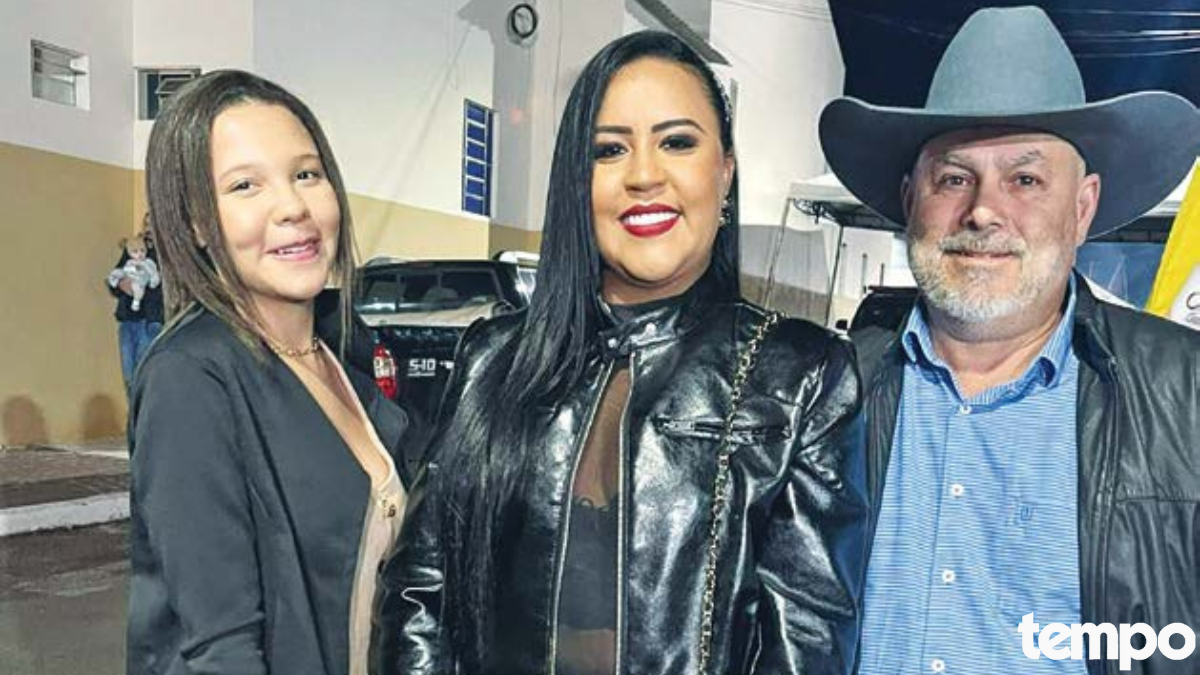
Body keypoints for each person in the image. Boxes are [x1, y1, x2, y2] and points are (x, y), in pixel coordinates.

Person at [373, 31, 868, 675]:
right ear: (577, 184)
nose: (643, 175)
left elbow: (806, 641)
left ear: (724, 172)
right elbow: (421, 592)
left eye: (677, 142)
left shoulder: (802, 375)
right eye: (609, 150)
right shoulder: (494, 359)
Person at [818, 6, 1200, 673]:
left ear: (1082, 207)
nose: (983, 211)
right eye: (953, 178)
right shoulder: (822, 394)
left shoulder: (1187, 398)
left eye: (1025, 179)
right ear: (910, 200)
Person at [127, 70, 409, 675]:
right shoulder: (190, 380)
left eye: (306, 174)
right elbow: (221, 646)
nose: (293, 207)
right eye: (245, 185)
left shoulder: (344, 355)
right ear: (196, 222)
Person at [107, 224, 165, 391]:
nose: (148, 228)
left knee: (144, 373)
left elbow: (163, 285)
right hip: (127, 318)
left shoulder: (165, 250)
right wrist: (121, 283)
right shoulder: (134, 247)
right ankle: (134, 407)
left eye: (152, 223)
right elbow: (115, 279)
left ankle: (144, 406)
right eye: (146, 224)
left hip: (151, 319)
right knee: (129, 376)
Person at [107, 233, 160, 312]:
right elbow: (121, 270)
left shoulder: (149, 261)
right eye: (135, 252)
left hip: (155, 309)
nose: (139, 254)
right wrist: (120, 284)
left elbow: (155, 279)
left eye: (142, 251)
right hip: (130, 312)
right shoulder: (137, 243)